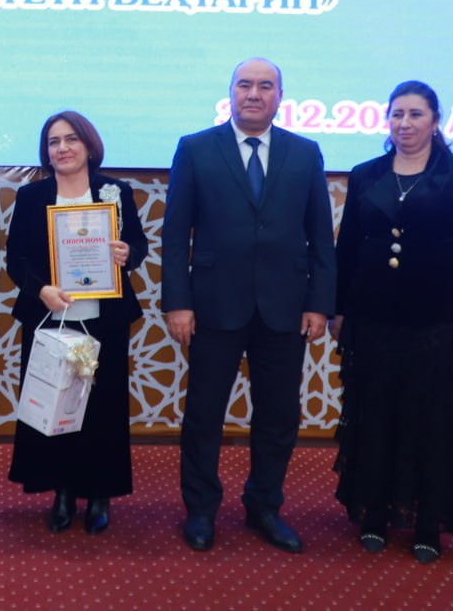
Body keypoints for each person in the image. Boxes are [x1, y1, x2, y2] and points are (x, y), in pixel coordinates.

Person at [162, 57, 336, 554]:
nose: (254, 94)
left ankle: (265, 506)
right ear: (231, 93)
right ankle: (200, 509)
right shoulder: (196, 148)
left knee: (278, 415)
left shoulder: (305, 153)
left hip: (285, 307)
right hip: (213, 305)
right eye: (245, 85)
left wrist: (319, 304)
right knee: (204, 413)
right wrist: (178, 303)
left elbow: (320, 235)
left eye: (265, 86)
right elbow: (175, 234)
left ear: (280, 96)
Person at [330, 80, 453, 564]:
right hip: (372, 317)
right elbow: (348, 246)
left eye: (416, 114)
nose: (404, 124)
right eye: (397, 114)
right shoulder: (366, 174)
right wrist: (339, 309)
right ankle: (374, 515)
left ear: (436, 121)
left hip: (436, 320)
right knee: (375, 413)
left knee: (430, 419)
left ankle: (428, 523)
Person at [5, 111, 147, 535]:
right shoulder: (32, 196)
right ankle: (63, 492)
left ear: (88, 145)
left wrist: (127, 254)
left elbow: (138, 244)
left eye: (71, 139)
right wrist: (40, 289)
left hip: (105, 320)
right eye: (53, 142)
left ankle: (100, 494)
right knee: (57, 407)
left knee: (104, 410)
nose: (62, 148)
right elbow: (16, 259)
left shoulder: (115, 192)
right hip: (51, 318)